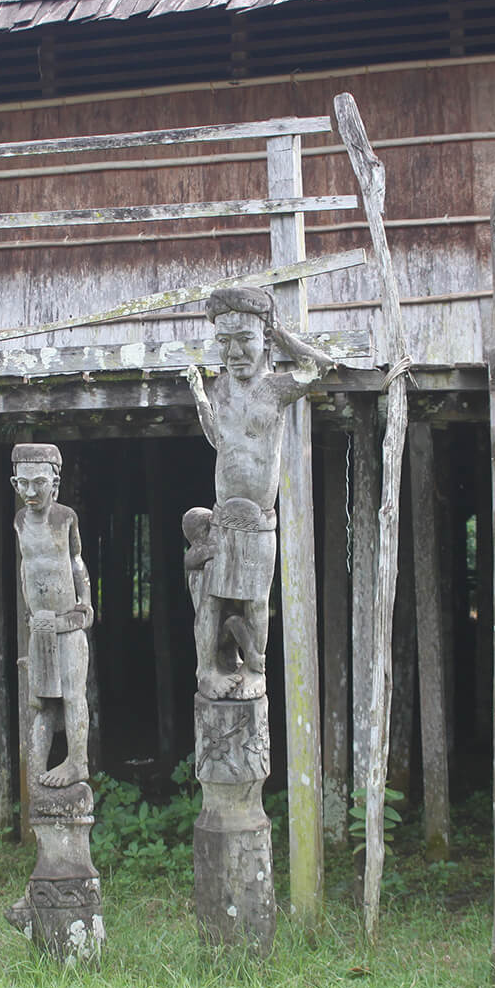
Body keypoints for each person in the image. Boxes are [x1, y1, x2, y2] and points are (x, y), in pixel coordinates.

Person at [181, 286, 337, 699]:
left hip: (258, 520)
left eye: (244, 339)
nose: (233, 352)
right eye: (223, 342)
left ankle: (255, 669)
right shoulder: (220, 389)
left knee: (255, 603)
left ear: (264, 340)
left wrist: (280, 330)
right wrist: (200, 399)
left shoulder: (276, 388)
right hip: (222, 518)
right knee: (211, 602)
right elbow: (220, 440)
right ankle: (206, 671)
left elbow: (321, 367)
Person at [12, 443, 94, 789]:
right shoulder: (19, 520)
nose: (31, 492)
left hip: (67, 623)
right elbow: (25, 566)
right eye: (24, 483)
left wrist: (86, 600)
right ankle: (36, 770)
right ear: (14, 483)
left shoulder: (65, 517)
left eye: (39, 483)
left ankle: (78, 761)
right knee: (42, 704)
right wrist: (29, 610)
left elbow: (76, 561)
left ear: (54, 483)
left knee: (74, 695)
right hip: (41, 624)